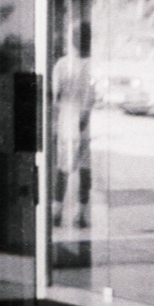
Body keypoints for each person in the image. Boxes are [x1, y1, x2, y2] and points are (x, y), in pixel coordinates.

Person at [51, 21, 95, 229]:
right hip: (80, 122)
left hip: (66, 120)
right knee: (84, 168)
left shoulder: (61, 65)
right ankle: (80, 213)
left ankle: (57, 210)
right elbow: (90, 97)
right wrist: (83, 118)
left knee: (63, 168)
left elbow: (55, 96)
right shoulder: (89, 66)